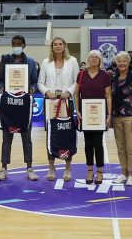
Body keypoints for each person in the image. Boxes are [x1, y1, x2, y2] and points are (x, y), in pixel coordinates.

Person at [0, 35, 39, 181]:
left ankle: (29, 168)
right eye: (14, 43)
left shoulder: (31, 62)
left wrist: (32, 89)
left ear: (24, 45)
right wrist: (1, 88)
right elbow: (0, 79)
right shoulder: (5, 60)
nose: (16, 46)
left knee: (26, 137)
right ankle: (3, 168)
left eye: (19, 44)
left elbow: (34, 81)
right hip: (8, 102)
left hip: (24, 104)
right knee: (6, 137)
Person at [38, 37, 79, 181]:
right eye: (55, 44)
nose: (58, 46)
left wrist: (69, 91)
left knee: (67, 134)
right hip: (51, 102)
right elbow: (40, 82)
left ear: (64, 46)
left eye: (60, 44)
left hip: (67, 101)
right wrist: (47, 91)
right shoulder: (45, 62)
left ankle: (68, 168)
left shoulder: (72, 61)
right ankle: (51, 167)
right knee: (51, 134)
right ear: (52, 47)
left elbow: (76, 81)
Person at [74, 50, 112, 185]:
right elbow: (76, 94)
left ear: (100, 60)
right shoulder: (81, 74)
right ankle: (90, 169)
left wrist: (109, 114)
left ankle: (100, 171)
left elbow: (108, 96)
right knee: (88, 143)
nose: (94, 59)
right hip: (86, 115)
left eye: (96, 57)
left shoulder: (105, 75)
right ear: (88, 59)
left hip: (99, 115)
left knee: (98, 142)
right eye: (91, 57)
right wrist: (77, 110)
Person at [111, 51, 132, 186]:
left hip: (130, 116)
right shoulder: (114, 78)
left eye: (124, 61)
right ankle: (124, 173)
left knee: (131, 147)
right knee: (121, 147)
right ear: (116, 63)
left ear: (129, 63)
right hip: (117, 117)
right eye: (119, 61)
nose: (122, 63)